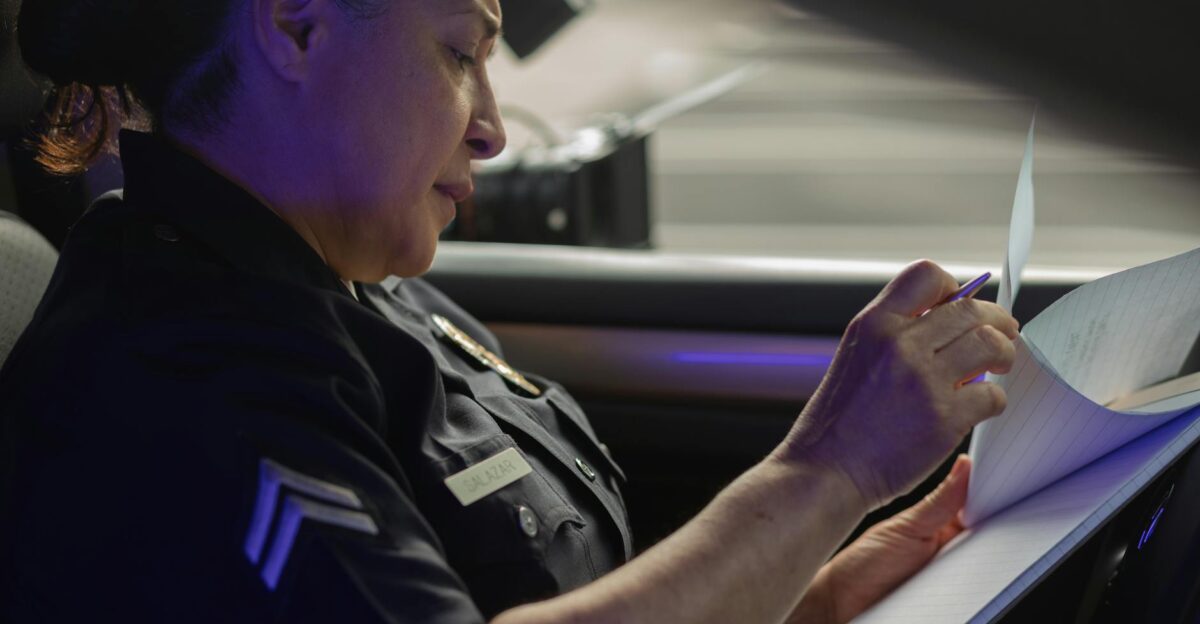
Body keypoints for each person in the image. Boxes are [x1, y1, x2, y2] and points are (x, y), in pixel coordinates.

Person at [0, 0, 1019, 621]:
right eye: (458, 52)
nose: (490, 129)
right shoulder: (174, 383)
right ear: (296, 24)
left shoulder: (372, 300)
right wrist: (826, 472)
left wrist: (817, 600)